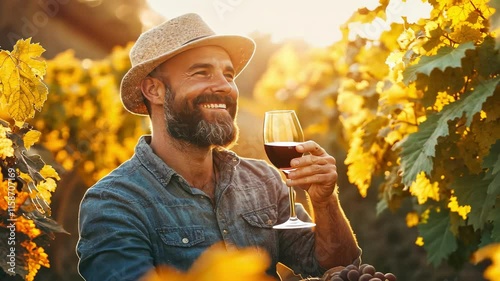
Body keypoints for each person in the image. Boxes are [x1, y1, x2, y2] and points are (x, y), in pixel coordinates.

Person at [76, 13, 361, 281]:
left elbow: (333, 265)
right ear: (154, 90)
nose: (225, 86)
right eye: (201, 72)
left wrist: (325, 203)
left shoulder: (264, 181)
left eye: (229, 75)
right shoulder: (114, 204)